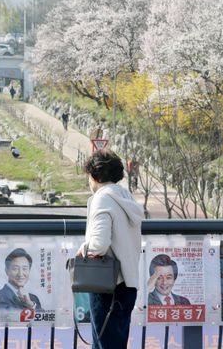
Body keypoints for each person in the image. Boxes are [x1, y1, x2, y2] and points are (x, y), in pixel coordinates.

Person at [75, 149, 143, 349]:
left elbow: (99, 244)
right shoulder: (125, 196)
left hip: (107, 285)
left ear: (94, 175)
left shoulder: (102, 198)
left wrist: (83, 250)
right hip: (127, 284)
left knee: (104, 343)